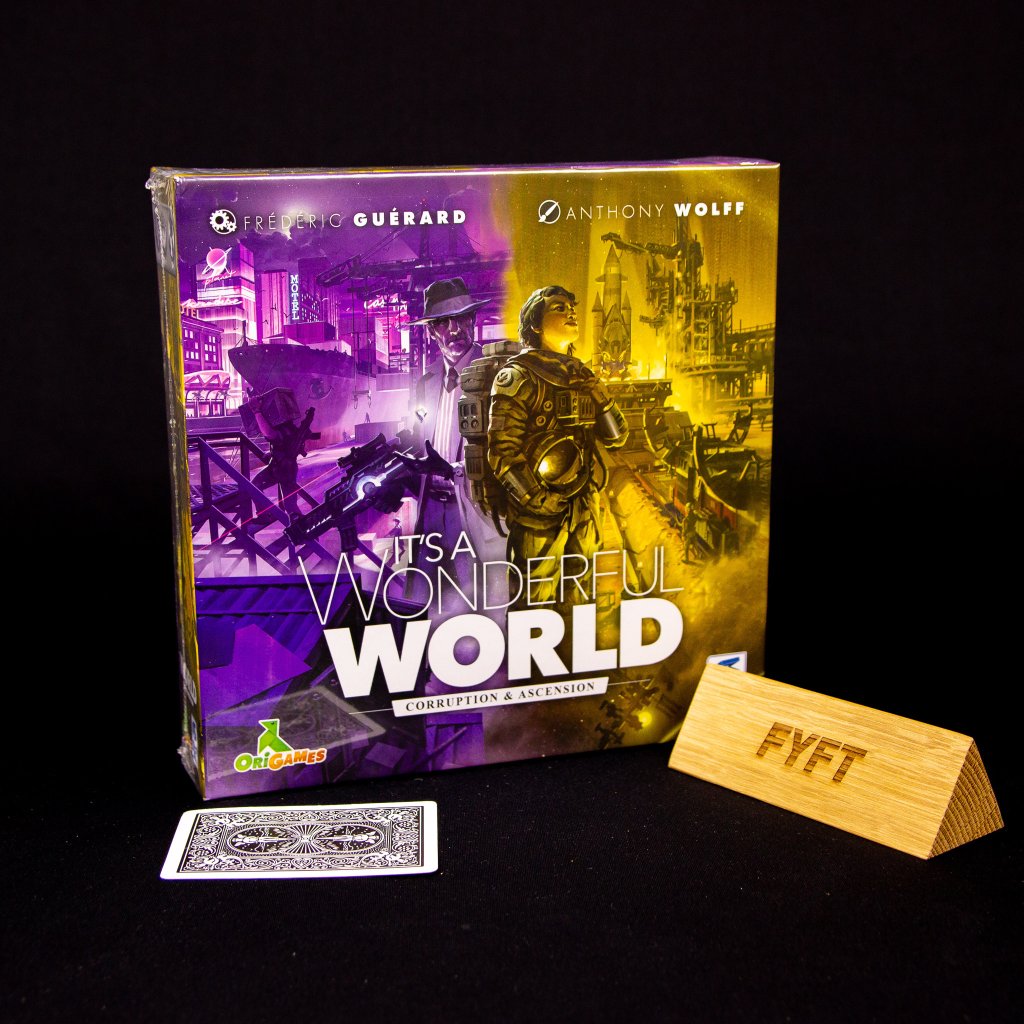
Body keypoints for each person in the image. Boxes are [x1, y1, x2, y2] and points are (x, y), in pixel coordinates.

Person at [487, 285, 628, 607]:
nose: (571, 313)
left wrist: (597, 391)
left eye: (572, 308)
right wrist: (537, 499)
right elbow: (502, 451)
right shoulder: (517, 376)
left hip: (583, 507)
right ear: (535, 324)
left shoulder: (582, 375)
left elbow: (617, 437)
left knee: (579, 600)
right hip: (538, 515)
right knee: (533, 604)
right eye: (559, 308)